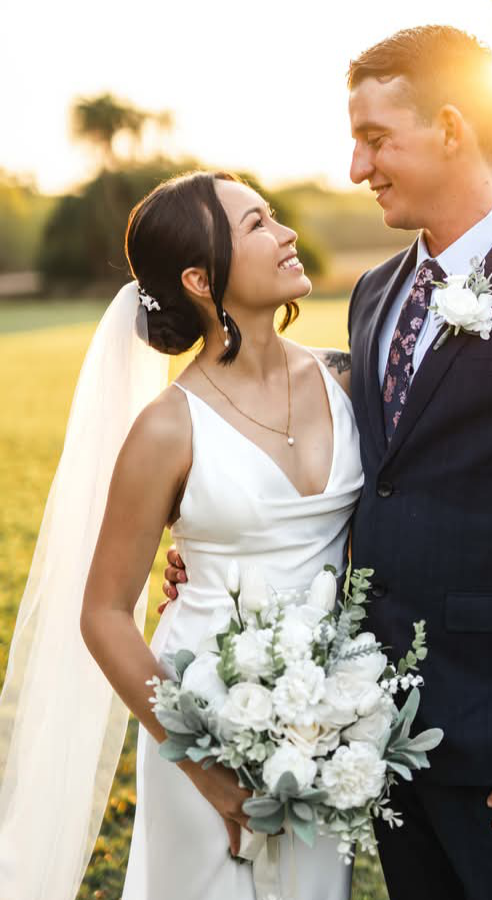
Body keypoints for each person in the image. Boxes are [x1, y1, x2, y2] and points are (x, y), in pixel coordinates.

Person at [162, 24, 492, 900]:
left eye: (375, 139)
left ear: (451, 127)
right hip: (381, 734)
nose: (356, 167)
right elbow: (363, 468)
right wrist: (231, 558)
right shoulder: (375, 294)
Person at [0, 170, 363, 900]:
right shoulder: (168, 426)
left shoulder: (345, 380)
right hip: (206, 719)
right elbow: (103, 613)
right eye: (258, 225)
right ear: (200, 278)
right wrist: (207, 768)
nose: (288, 233)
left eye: (275, 216)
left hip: (329, 720)